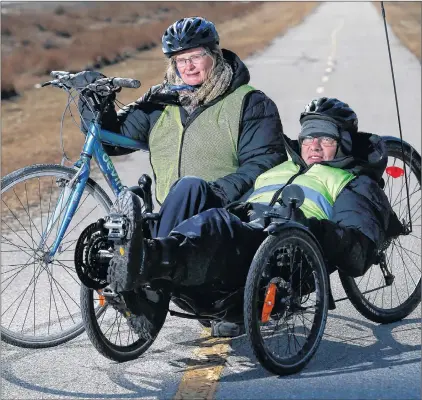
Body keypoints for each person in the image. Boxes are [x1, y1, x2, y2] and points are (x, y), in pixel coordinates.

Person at [106, 97, 398, 338]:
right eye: (309, 137)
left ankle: (144, 259)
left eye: (326, 139)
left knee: (214, 225)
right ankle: (143, 276)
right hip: (242, 227)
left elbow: (357, 251)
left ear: (343, 143)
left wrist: (310, 226)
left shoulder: (353, 183)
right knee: (190, 186)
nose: (315, 146)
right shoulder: (281, 167)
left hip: (278, 249)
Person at [77, 16, 286, 238]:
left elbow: (265, 162)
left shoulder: (250, 103)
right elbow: (111, 141)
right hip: (172, 219)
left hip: (227, 219)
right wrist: (95, 103)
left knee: (153, 255)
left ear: (215, 55)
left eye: (196, 56)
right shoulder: (160, 103)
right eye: (180, 60)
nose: (188, 67)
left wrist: (213, 194)